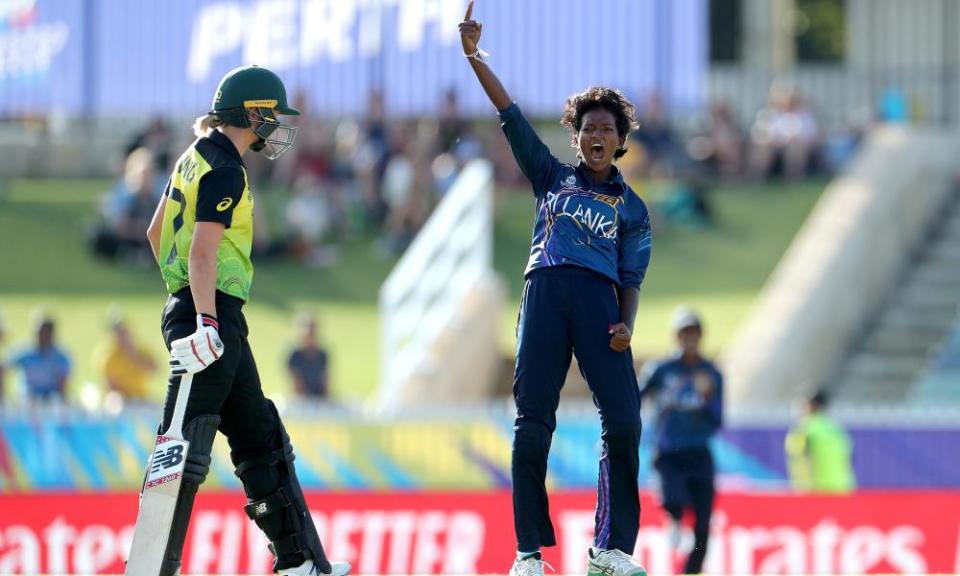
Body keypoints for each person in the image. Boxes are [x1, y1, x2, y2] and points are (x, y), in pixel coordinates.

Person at [460, 4, 652, 576]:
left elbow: (631, 277)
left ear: (619, 142)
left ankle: (610, 549)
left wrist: (626, 326)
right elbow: (509, 113)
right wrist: (474, 57)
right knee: (532, 422)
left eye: (606, 130)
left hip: (600, 309)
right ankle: (528, 555)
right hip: (544, 296)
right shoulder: (550, 176)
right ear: (576, 136)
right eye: (587, 128)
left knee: (624, 420)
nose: (596, 135)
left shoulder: (633, 208)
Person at [144, 65, 350, 576]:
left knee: (260, 433)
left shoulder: (194, 157)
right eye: (273, 114)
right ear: (253, 113)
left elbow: (155, 234)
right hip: (210, 315)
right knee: (184, 443)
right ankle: (149, 566)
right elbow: (201, 253)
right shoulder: (227, 169)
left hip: (204, 309)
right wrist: (204, 320)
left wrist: (184, 303)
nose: (278, 124)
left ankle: (298, 561)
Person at [638, 308, 722, 574]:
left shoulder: (710, 373)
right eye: (684, 333)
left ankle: (692, 569)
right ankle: (673, 520)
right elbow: (634, 397)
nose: (689, 339)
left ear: (701, 336)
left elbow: (717, 418)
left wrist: (704, 399)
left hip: (698, 452)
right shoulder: (661, 370)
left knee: (703, 522)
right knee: (671, 499)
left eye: (694, 333)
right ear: (676, 336)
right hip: (668, 452)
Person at [785, 389, 856, 493]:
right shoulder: (836, 428)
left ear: (811, 405)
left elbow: (798, 458)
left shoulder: (804, 429)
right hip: (842, 487)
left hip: (816, 489)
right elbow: (847, 458)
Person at [8, 315, 71, 404]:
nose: (40, 336)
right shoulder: (25, 351)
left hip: (50, 398)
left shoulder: (61, 356)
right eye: (38, 332)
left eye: (45, 332)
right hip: (28, 397)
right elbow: (4, 368)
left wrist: (63, 402)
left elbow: (62, 385)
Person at [95, 313, 157, 402]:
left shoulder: (142, 350)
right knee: (113, 399)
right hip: (121, 398)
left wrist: (133, 356)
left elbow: (155, 369)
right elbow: (109, 385)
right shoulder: (108, 355)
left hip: (142, 397)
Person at [287, 315, 330, 400]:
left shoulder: (322, 355)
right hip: (300, 400)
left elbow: (325, 384)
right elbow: (296, 386)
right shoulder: (295, 356)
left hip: (318, 400)